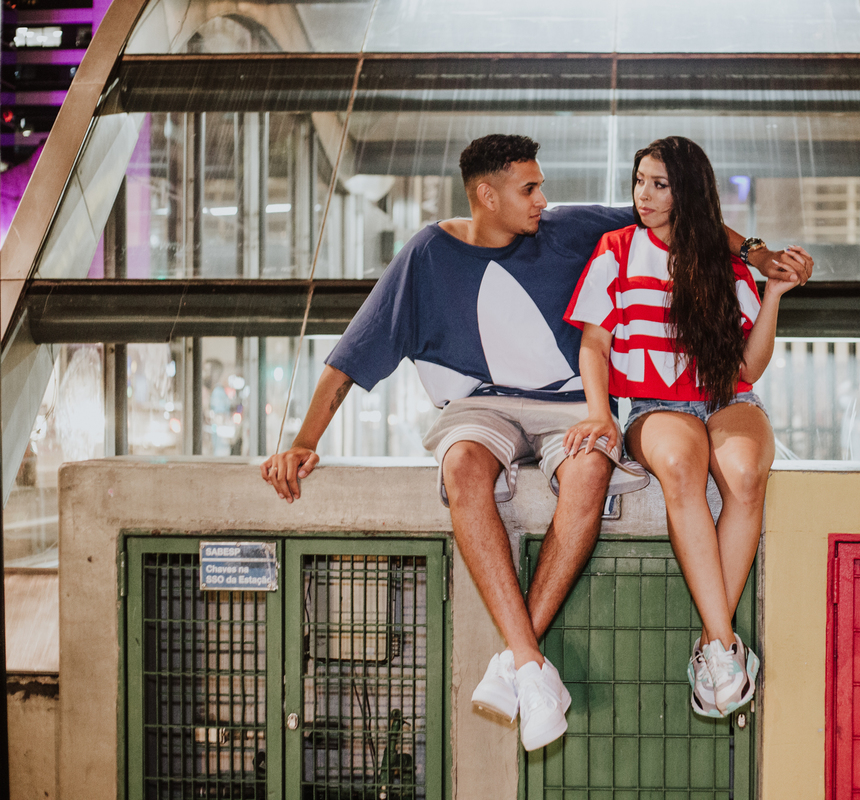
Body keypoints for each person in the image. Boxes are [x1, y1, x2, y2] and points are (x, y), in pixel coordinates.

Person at [261, 134, 810, 749]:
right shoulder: (425, 256)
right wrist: (303, 440)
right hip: (480, 406)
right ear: (485, 195)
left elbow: (686, 216)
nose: (543, 200)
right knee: (463, 468)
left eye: (542, 186)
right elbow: (350, 359)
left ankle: (519, 663)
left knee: (589, 470)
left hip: (569, 406)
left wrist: (758, 254)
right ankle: (529, 661)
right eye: (529, 189)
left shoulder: (571, 228)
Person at [563, 136, 812, 717]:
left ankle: (712, 647)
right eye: (639, 181)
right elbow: (594, 344)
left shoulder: (726, 262)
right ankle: (726, 649)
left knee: (747, 475)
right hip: (654, 404)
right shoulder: (616, 247)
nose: (641, 195)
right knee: (680, 464)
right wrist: (600, 412)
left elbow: (747, 367)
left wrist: (773, 291)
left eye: (659, 184)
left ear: (687, 192)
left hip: (728, 396)